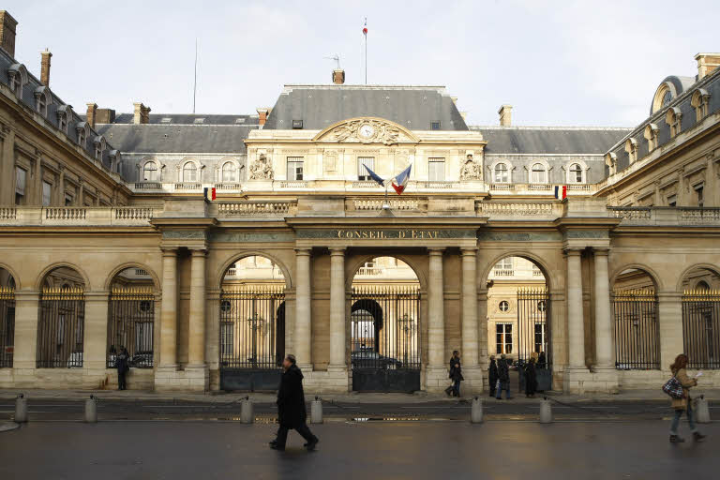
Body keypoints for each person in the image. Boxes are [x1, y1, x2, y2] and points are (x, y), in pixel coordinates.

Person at [270, 354, 319, 452]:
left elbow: (287, 390)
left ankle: (312, 439)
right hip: (291, 405)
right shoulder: (291, 372)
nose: (283, 362)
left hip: (292, 406)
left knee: (299, 426)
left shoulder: (292, 374)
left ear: (289, 362)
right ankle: (279, 443)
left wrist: (281, 400)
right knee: (284, 424)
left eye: (285, 360)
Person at [669, 354, 706, 444]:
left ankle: (695, 433)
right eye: (686, 362)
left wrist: (691, 379)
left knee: (689, 414)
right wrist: (695, 380)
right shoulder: (681, 371)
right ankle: (673, 435)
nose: (687, 364)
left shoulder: (676, 370)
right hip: (682, 397)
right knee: (677, 415)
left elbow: (683, 381)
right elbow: (685, 384)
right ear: (683, 362)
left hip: (684, 396)